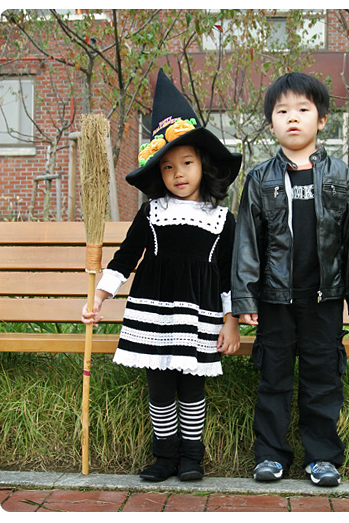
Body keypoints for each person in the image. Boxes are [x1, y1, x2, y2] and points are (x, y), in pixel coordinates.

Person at [82, 69, 241, 482]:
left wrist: (231, 321)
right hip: (154, 312)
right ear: (159, 173)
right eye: (168, 167)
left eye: (186, 163)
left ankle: (192, 458)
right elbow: (126, 257)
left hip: (198, 316)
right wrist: (99, 296)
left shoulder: (222, 219)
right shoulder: (152, 212)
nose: (178, 173)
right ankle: (164, 456)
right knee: (160, 388)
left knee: (192, 389)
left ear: (204, 164)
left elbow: (228, 275)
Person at [231, 72, 349, 487]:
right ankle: (270, 456)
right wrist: (245, 300)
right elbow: (247, 244)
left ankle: (322, 458)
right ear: (271, 123)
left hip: (323, 301)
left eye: (302, 109)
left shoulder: (340, 176)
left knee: (322, 380)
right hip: (275, 300)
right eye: (282, 111)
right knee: (273, 379)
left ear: (322, 119)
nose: (292, 118)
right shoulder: (260, 179)